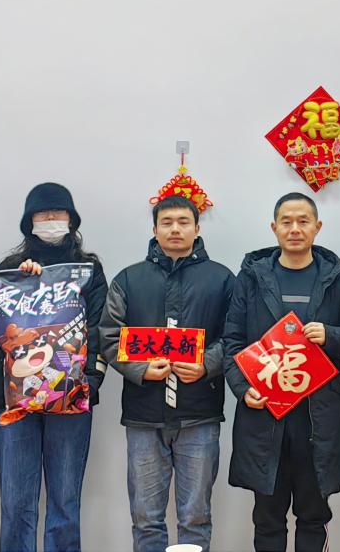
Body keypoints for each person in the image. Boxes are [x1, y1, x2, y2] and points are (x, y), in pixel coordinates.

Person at [223, 192, 340, 552]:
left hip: (318, 415)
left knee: (313, 514)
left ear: (318, 227)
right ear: (274, 228)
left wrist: (330, 335)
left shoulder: (337, 279)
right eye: (286, 221)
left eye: (303, 221)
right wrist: (242, 388)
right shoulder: (252, 278)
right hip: (265, 411)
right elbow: (233, 341)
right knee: (267, 517)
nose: (295, 228)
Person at [100, 195, 235, 552]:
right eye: (167, 222)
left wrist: (207, 364)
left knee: (196, 517)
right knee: (146, 518)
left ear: (197, 228)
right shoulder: (129, 279)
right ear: (154, 229)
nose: (175, 229)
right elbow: (109, 335)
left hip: (200, 413)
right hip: (144, 415)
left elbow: (236, 336)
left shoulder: (222, 278)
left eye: (183, 222)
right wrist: (142, 368)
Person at [0, 182, 107, 552]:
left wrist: (90, 382)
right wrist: (19, 285)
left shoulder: (89, 270)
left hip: (71, 395)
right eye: (43, 213)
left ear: (71, 219)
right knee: (16, 503)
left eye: (58, 212)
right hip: (15, 399)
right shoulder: (9, 269)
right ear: (29, 221)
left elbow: (100, 329)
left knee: (65, 503)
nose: (51, 218)